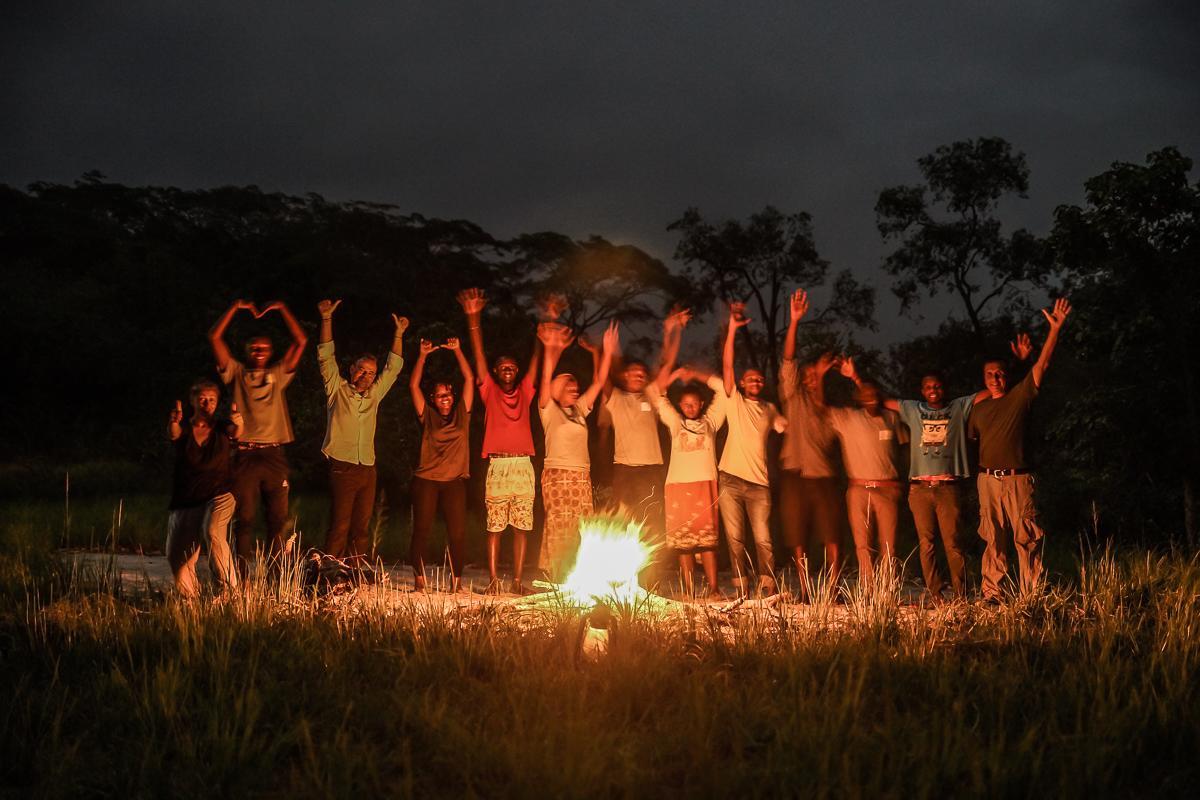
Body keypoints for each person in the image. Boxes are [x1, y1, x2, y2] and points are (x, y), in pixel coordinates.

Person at [968, 298, 1073, 602]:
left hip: (1018, 480)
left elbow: (1042, 365)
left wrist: (1054, 329)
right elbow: (972, 440)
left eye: (1000, 373)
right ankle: (993, 593)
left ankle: (1031, 594)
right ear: (984, 378)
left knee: (1026, 538)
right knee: (992, 538)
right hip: (987, 480)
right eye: (990, 374)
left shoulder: (1019, 398)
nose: (996, 378)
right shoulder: (979, 408)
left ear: (1007, 375)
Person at [209, 299, 307, 571]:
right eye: (254, 348)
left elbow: (300, 342)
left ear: (271, 351)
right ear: (247, 351)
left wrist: (281, 307)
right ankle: (241, 577)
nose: (259, 351)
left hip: (274, 453)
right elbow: (214, 336)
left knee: (278, 520)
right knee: (246, 519)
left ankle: (276, 576)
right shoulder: (237, 373)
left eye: (264, 348)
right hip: (245, 454)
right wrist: (234, 307)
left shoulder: (278, 374)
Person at [458, 287, 542, 595]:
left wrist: (542, 339)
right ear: (496, 372)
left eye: (512, 367)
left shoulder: (526, 392)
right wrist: (473, 317)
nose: (508, 370)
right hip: (498, 465)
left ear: (516, 372)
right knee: (495, 527)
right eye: (503, 367)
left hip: (523, 466)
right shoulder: (489, 391)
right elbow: (478, 355)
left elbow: (537, 362)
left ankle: (517, 581)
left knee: (521, 527)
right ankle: (493, 582)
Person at [884, 369, 993, 602]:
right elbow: (878, 400)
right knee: (926, 544)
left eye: (937, 386)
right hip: (920, 488)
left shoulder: (957, 407)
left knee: (953, 543)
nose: (933, 390)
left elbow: (988, 393)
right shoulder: (913, 409)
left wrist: (1003, 376)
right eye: (928, 387)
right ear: (922, 391)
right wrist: (854, 378)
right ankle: (936, 592)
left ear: (943, 388)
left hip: (947, 488)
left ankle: (961, 593)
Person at [316, 299, 407, 563]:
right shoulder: (337, 389)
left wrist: (399, 334)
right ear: (352, 369)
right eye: (362, 370)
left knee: (361, 528)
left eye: (371, 373)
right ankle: (330, 573)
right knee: (340, 525)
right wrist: (326, 319)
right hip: (342, 465)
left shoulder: (374, 396)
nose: (366, 376)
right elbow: (325, 356)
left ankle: (356, 573)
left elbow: (394, 369)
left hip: (367, 466)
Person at [647, 313, 728, 599]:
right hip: (678, 485)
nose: (690, 407)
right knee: (684, 544)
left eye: (694, 403)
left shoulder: (712, 422)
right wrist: (671, 335)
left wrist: (696, 376)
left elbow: (724, 390)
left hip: (705, 484)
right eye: (686, 404)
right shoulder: (673, 422)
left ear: (701, 404)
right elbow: (657, 393)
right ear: (680, 405)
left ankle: (715, 589)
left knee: (706, 542)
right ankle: (690, 591)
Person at [536, 320, 617, 580]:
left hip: (581, 477)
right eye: (568, 387)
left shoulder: (579, 410)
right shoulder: (548, 410)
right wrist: (550, 348)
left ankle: (579, 574)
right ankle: (557, 576)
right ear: (557, 391)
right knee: (559, 526)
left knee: (582, 527)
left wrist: (603, 350)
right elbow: (545, 378)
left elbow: (599, 381)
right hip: (558, 475)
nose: (574, 390)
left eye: (575, 387)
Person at [777, 289, 845, 594]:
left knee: (832, 535)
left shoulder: (829, 412)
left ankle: (831, 587)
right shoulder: (793, 399)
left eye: (813, 377)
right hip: (795, 475)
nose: (808, 379)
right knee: (797, 536)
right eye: (805, 377)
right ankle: (805, 588)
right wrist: (794, 322)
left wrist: (821, 374)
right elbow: (789, 360)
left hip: (824, 478)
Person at [718, 301, 785, 597]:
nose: (756, 381)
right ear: (742, 384)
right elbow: (728, 365)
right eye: (750, 379)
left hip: (759, 484)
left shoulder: (770, 409)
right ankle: (740, 587)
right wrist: (732, 329)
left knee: (763, 539)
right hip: (730, 478)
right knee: (734, 539)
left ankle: (767, 585)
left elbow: (787, 427)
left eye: (760, 379)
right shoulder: (734, 401)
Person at [831, 359, 909, 587]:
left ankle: (888, 589)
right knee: (863, 545)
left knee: (889, 545)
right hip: (858, 489)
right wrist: (850, 377)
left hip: (888, 488)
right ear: (858, 398)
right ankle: (868, 589)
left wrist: (904, 480)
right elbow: (820, 406)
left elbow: (905, 450)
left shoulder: (891, 418)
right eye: (865, 395)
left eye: (875, 394)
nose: (870, 397)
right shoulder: (849, 418)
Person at [408, 335, 474, 592]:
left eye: (447, 394)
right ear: (433, 399)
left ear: (452, 396)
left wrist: (458, 350)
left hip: (454, 482)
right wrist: (422, 355)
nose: (444, 398)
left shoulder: (462, 414)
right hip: (427, 481)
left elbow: (469, 379)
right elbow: (413, 386)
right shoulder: (428, 416)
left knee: (457, 533)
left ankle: (456, 584)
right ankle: (419, 582)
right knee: (422, 530)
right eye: (438, 395)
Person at [165, 381, 243, 598]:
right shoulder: (184, 429)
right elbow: (173, 433)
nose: (207, 403)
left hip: (220, 493)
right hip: (187, 497)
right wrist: (173, 421)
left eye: (212, 400)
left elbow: (236, 431)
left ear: (217, 403)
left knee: (213, 530)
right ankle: (190, 601)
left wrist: (238, 422)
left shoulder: (222, 427)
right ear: (193, 401)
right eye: (202, 399)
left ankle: (229, 593)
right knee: (177, 559)